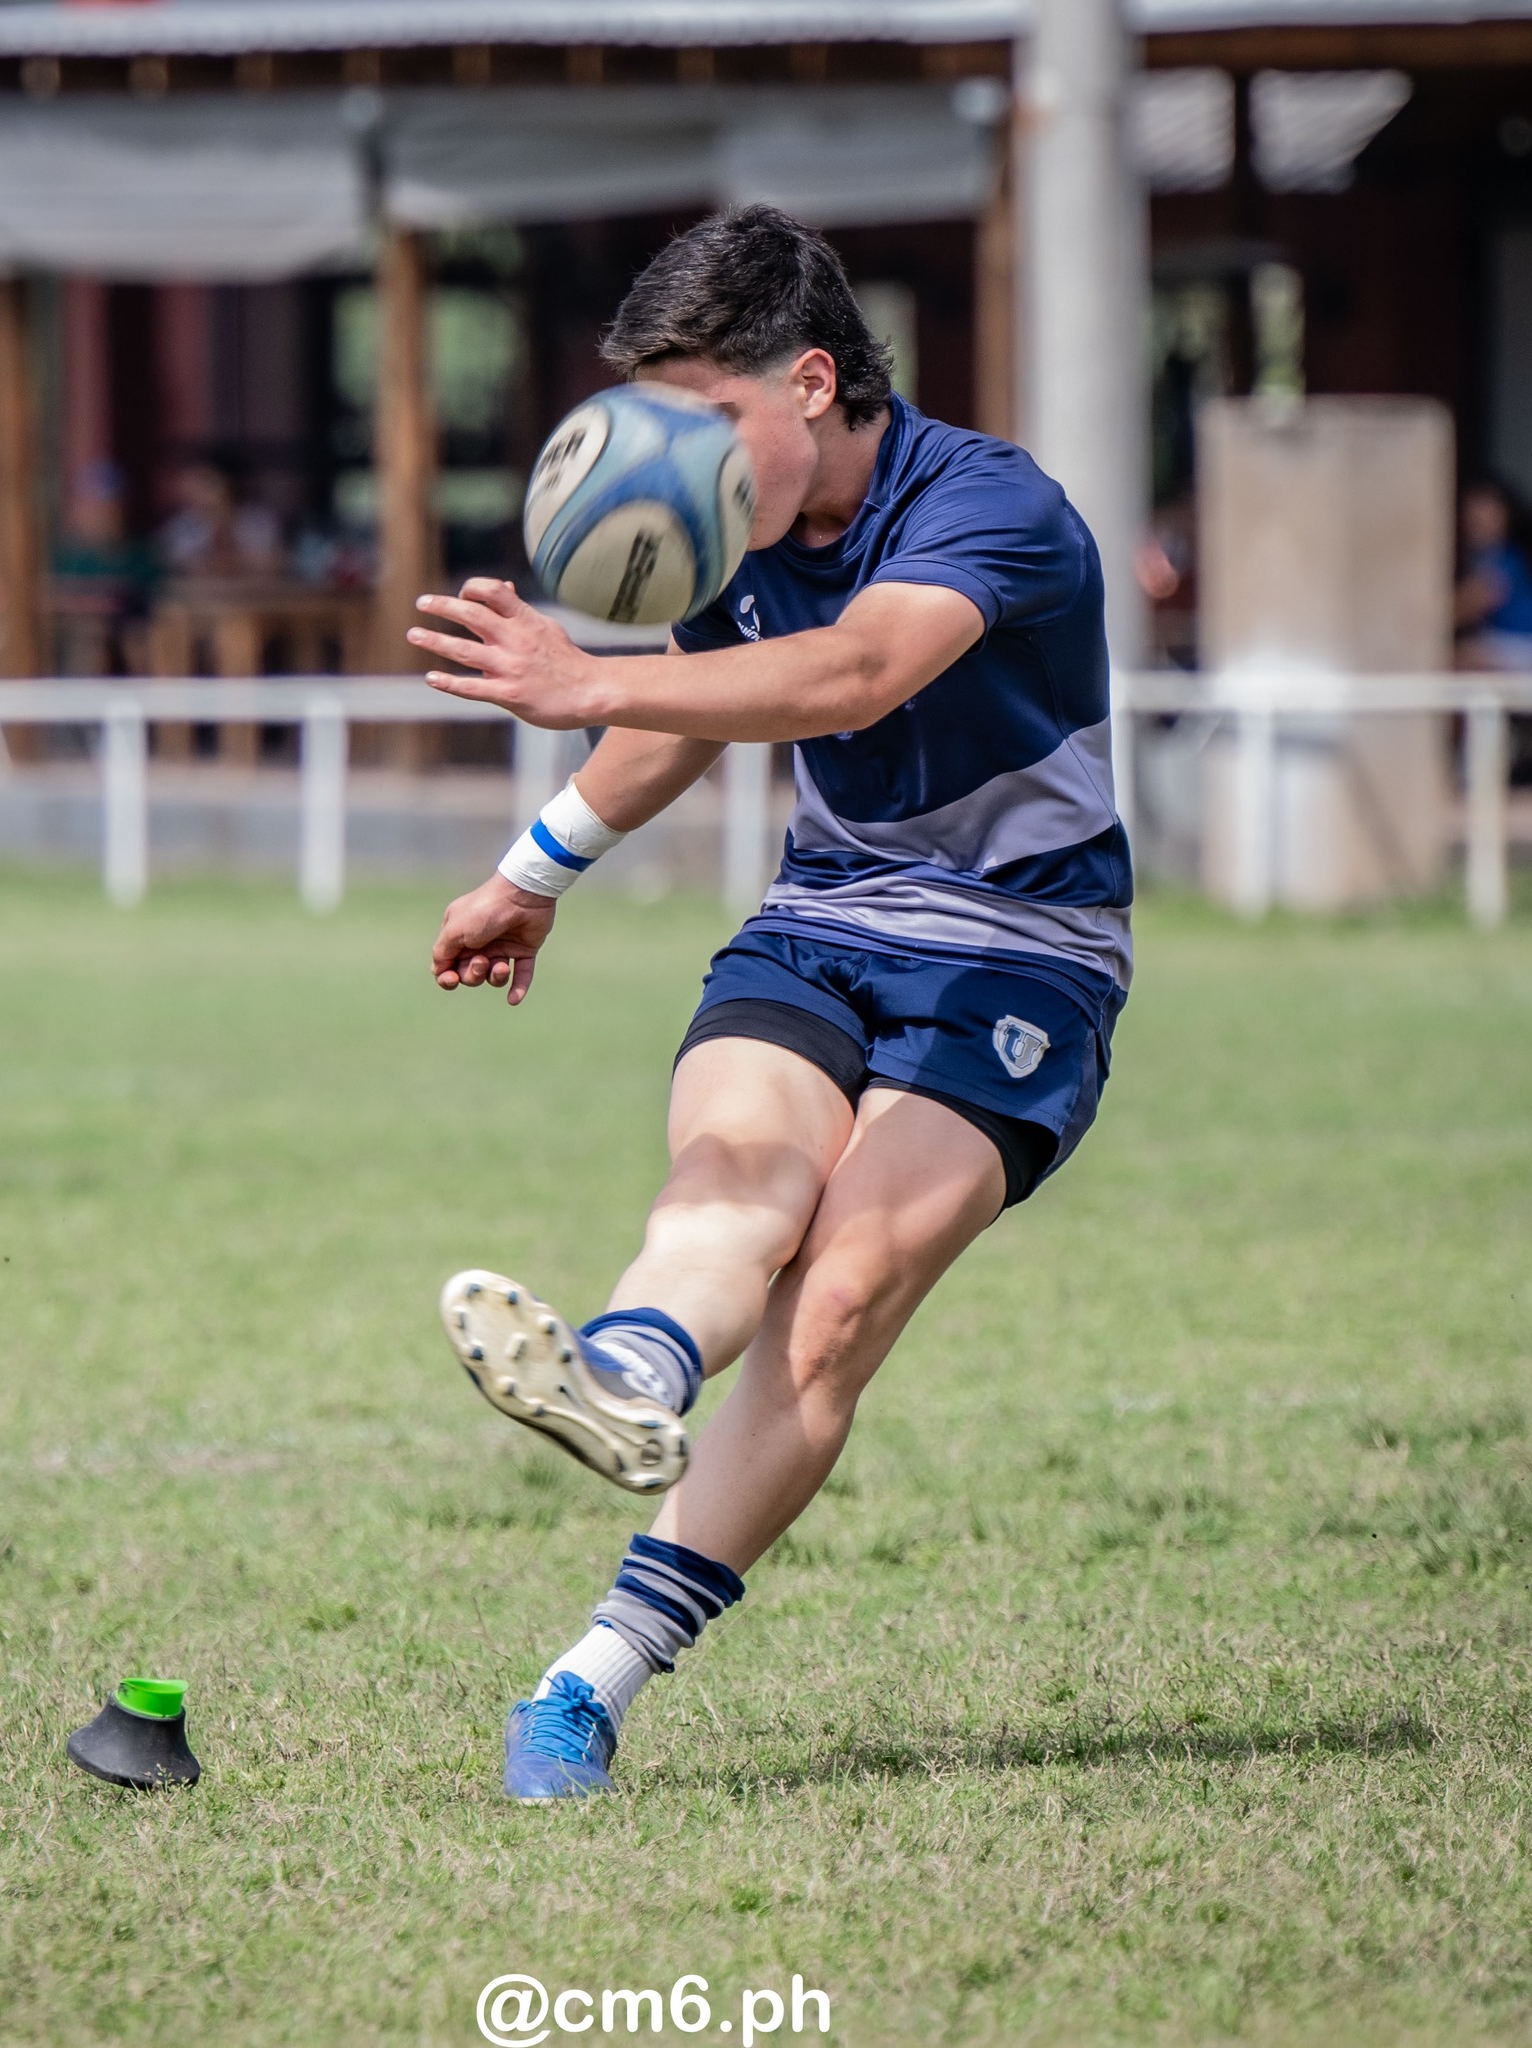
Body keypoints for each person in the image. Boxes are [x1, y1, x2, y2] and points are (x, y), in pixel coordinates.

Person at [411, 206, 1132, 1802]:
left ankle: (585, 1684)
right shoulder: (735, 547)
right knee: (731, 1185)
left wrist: (587, 676)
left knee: (844, 1290)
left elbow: (851, 674)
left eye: (713, 419)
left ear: (812, 381)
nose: (690, 464)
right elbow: (688, 715)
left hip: (1020, 949)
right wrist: (538, 867)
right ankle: (631, 1372)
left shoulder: (990, 506)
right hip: (824, 920)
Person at [1455, 480, 1532, 672]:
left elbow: (1472, 602)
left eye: (1486, 517)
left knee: (1454, 657)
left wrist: (1423, 619)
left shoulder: (1506, 559)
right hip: (1505, 642)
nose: (1476, 523)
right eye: (1471, 516)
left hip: (1526, 644)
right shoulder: (1480, 557)